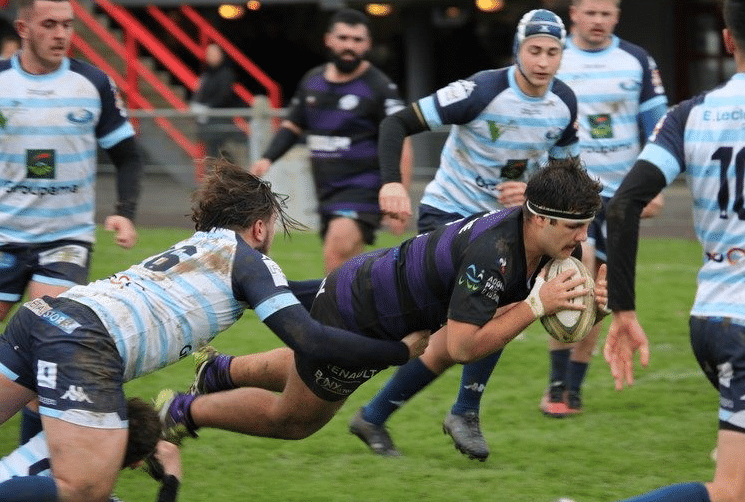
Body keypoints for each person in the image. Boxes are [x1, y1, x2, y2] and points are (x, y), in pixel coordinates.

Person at [0, 159, 426, 502]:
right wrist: (400, 354)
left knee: (58, 460)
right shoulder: (246, 260)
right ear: (260, 227)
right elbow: (308, 338)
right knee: (86, 488)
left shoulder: (200, 249)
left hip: (44, 316)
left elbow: (311, 292)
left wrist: (386, 279)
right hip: (84, 345)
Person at [156, 158, 606, 461]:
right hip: (363, 315)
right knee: (296, 420)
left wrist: (587, 311)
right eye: (575, 226)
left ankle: (219, 373)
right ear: (540, 218)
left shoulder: (538, 244)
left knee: (311, 371)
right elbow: (464, 346)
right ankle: (182, 412)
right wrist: (535, 306)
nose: (582, 238)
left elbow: (515, 313)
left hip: (371, 290)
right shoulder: (496, 252)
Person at [603, 0, 745, 501]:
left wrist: (623, 310)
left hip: (714, 322)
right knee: (738, 495)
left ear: (729, 39)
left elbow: (623, 205)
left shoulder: (688, 115)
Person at [354, 8, 579, 461]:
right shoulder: (481, 90)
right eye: (534, 50)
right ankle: (463, 411)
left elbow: (568, 173)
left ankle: (374, 416)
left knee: (450, 338)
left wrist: (535, 187)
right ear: (518, 49)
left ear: (561, 56)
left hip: (505, 227)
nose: (542, 61)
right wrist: (391, 182)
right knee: (495, 312)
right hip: (450, 216)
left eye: (552, 52)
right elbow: (396, 123)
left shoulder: (564, 104)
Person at [0, 0, 143, 448]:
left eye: (68, 24)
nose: (61, 33)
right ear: (23, 28)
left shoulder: (93, 83)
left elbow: (128, 155)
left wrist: (124, 212)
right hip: (4, 236)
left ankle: (31, 465)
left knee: (44, 341)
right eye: (49, 24)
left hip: (65, 240)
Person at [537, 0, 669, 418]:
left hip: (623, 196)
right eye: (590, 13)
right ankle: (557, 386)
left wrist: (654, 186)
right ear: (573, 13)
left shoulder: (636, 60)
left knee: (603, 296)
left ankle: (571, 386)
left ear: (617, 15)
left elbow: (658, 127)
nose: (597, 21)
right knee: (579, 276)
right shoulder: (555, 58)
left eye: (606, 14)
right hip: (571, 194)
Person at [249, 7, 414, 275]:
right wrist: (267, 157)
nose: (350, 46)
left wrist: (399, 194)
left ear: (368, 44)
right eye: (343, 38)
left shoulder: (379, 87)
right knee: (348, 266)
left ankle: (333, 316)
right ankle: (363, 314)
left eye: (357, 40)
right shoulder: (312, 81)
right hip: (326, 191)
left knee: (336, 251)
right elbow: (293, 125)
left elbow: (402, 141)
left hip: (363, 188)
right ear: (329, 40)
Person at [0, 398, 183, 502]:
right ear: (137, 463)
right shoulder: (91, 495)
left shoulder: (58, 427)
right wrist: (171, 480)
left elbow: (34, 401)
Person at [190, 43, 245, 162]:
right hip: (208, 126)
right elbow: (199, 95)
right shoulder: (206, 75)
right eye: (209, 54)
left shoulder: (226, 74)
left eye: (214, 53)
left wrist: (207, 107)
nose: (211, 56)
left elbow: (224, 96)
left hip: (222, 124)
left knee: (226, 157)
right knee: (212, 157)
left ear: (221, 55)